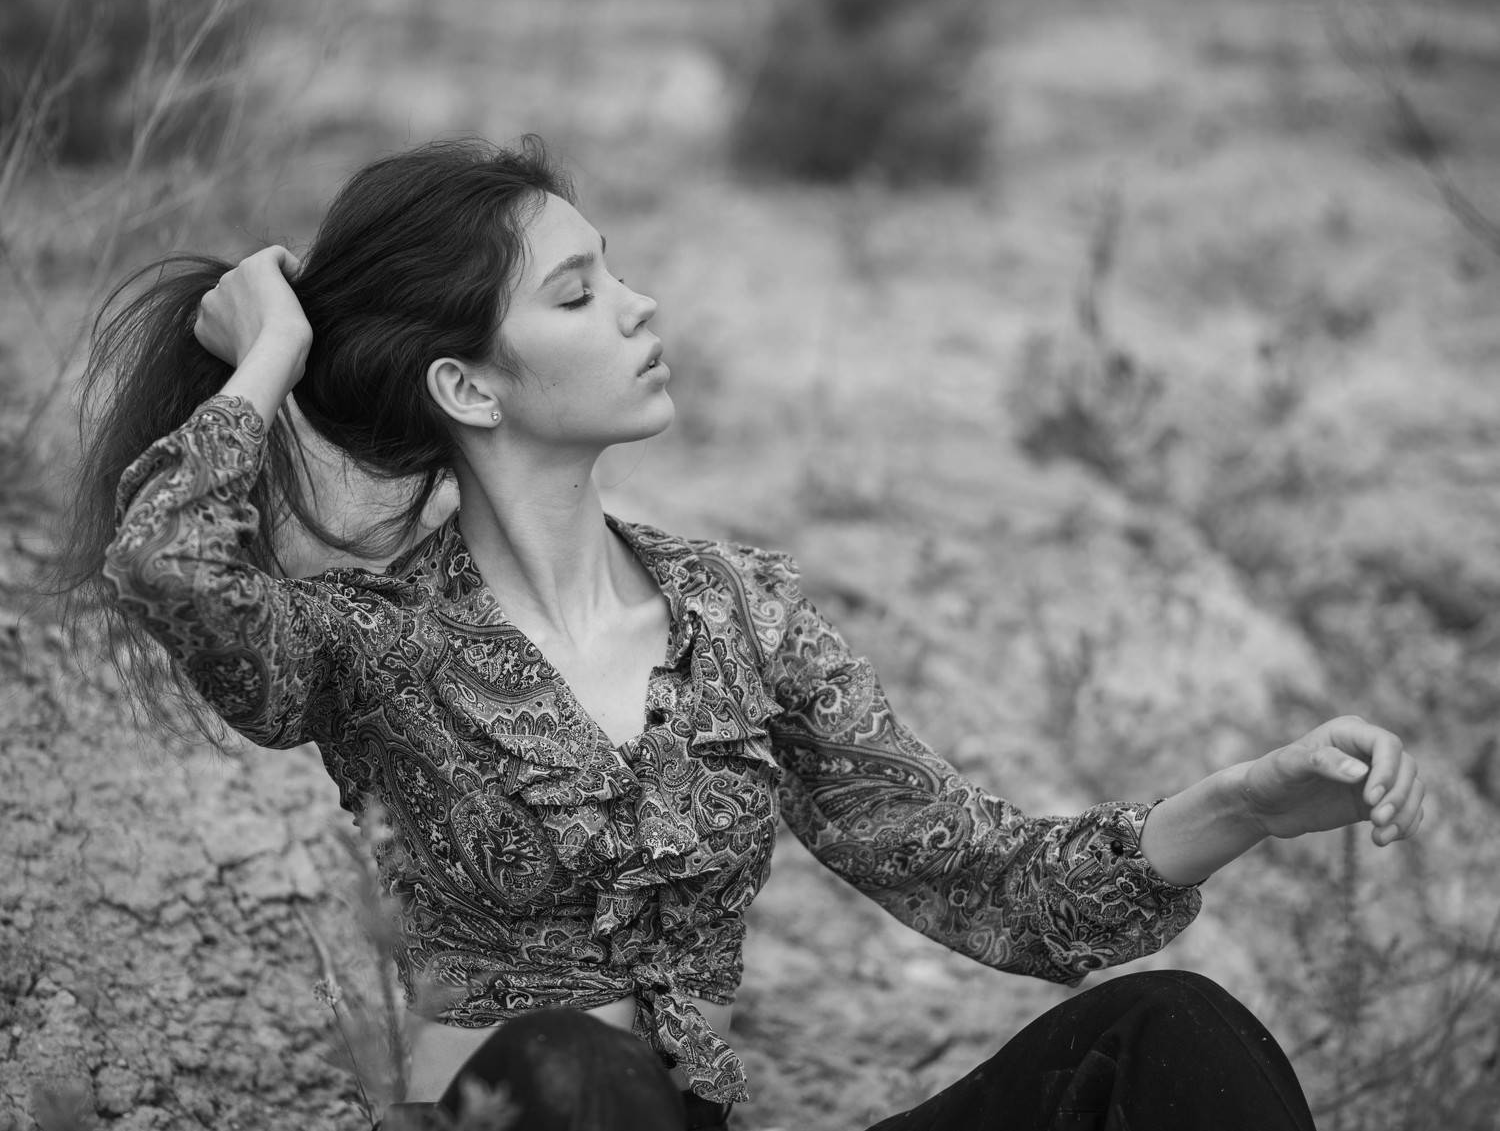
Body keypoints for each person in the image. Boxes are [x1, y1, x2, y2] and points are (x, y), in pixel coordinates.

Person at [66, 137, 1426, 1131]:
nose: (639, 306)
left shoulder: (741, 614)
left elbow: (991, 882)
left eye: (616, 273)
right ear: (469, 386)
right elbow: (164, 561)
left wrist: (1247, 803)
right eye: (578, 294)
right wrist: (267, 357)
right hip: (518, 1112)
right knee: (568, 1070)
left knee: (1173, 1032)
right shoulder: (364, 643)